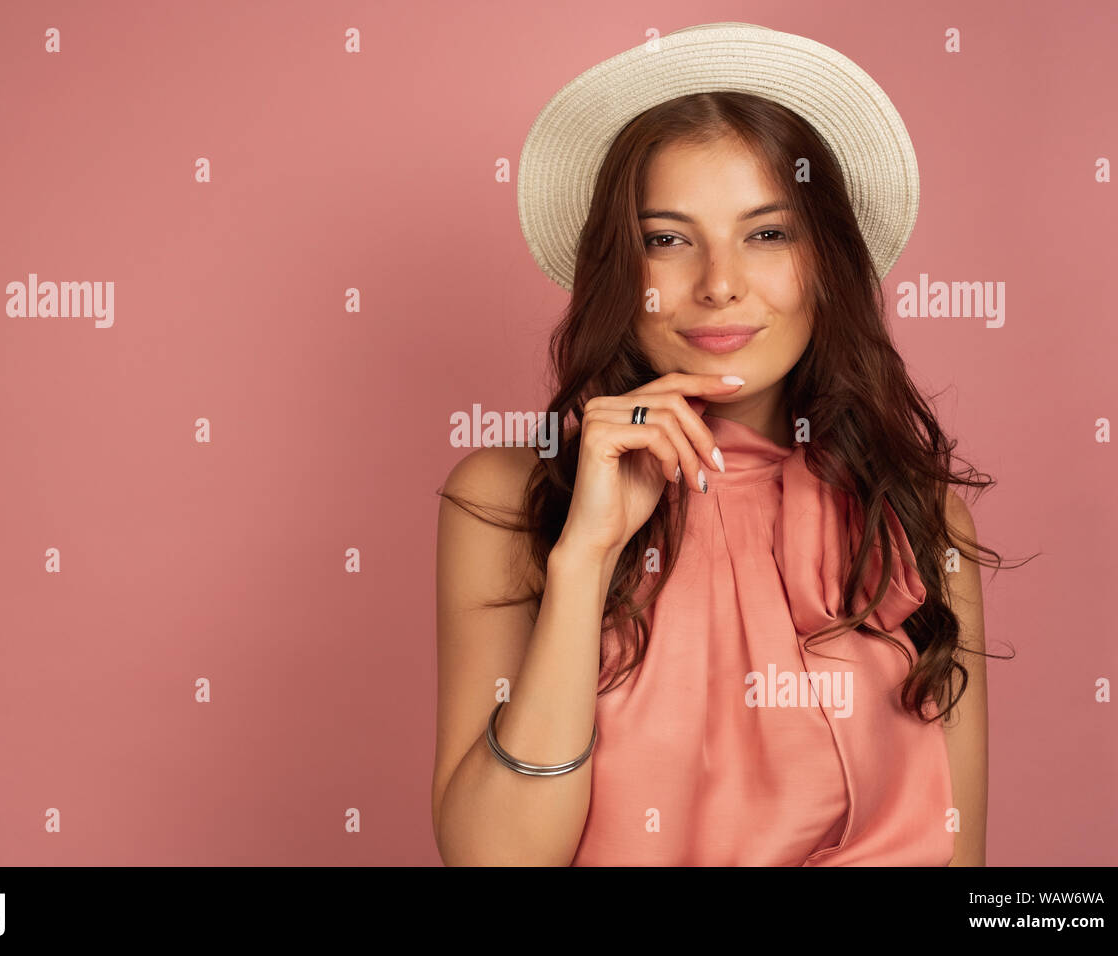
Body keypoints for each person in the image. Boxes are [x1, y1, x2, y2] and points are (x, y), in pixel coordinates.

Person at [433, 22, 1023, 866]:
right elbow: (492, 860)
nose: (717, 283)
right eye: (667, 239)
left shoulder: (922, 522)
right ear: (618, 270)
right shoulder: (506, 500)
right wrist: (586, 558)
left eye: (768, 234)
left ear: (826, 265)